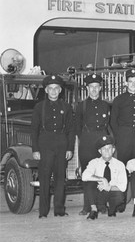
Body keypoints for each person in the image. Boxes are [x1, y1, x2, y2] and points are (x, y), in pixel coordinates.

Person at [31, 74, 75, 218]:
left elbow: (70, 130)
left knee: (60, 179)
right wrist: (35, 149)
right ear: (46, 90)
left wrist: (69, 148)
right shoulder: (39, 107)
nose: (54, 91)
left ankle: (59, 210)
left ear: (60, 90)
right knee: (44, 179)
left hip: (61, 144)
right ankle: (43, 212)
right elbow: (34, 130)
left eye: (56, 88)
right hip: (45, 144)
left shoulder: (66, 107)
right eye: (51, 88)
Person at [75, 73, 111, 216]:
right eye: (91, 87)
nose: (94, 90)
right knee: (88, 174)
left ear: (101, 88)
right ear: (87, 88)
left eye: (97, 87)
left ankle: (101, 205)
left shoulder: (106, 105)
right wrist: (85, 139)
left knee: (102, 173)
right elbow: (77, 127)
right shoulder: (81, 106)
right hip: (87, 142)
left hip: (102, 143)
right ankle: (87, 206)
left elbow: (108, 125)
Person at [81, 135, 127, 219]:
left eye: (109, 148)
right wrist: (102, 179)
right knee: (89, 182)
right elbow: (84, 176)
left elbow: (123, 187)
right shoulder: (94, 162)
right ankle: (94, 210)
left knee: (119, 196)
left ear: (113, 150)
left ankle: (111, 209)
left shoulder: (120, 164)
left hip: (112, 193)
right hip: (99, 193)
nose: (106, 151)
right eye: (103, 149)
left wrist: (108, 187)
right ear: (99, 151)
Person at [110, 68, 135, 163]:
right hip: (123, 136)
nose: (133, 84)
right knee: (123, 164)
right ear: (126, 83)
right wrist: (118, 136)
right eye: (130, 81)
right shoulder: (119, 100)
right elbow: (113, 121)